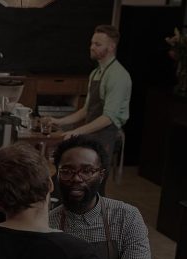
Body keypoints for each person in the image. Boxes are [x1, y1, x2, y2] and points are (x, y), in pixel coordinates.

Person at [49, 136, 152, 259]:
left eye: (87, 171)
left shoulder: (126, 216)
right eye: (67, 171)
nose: (76, 178)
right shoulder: (48, 222)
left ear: (101, 175)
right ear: (57, 175)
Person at [47, 25, 131, 181]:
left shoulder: (118, 76)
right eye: (92, 43)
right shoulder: (96, 73)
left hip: (106, 136)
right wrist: (59, 121)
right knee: (80, 181)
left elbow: (108, 118)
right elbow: (86, 110)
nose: (92, 47)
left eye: (98, 44)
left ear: (111, 47)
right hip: (92, 134)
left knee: (95, 183)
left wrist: (77, 131)